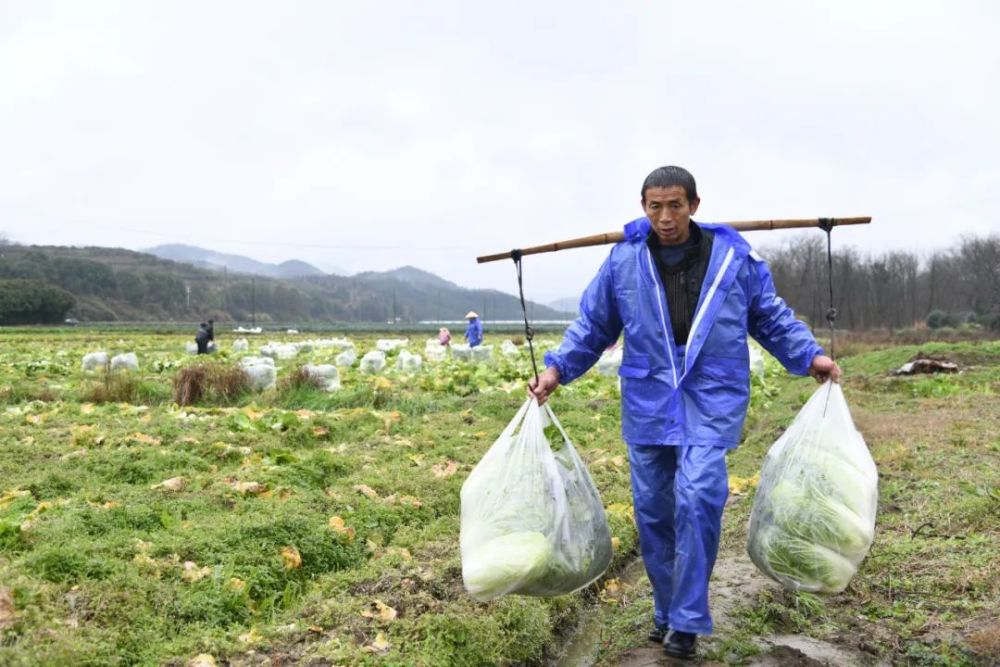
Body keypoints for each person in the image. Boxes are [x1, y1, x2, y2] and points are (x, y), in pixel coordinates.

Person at [528, 166, 840, 661]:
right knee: (654, 511)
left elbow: (771, 316)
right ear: (643, 206)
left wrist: (809, 356)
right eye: (655, 206)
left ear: (695, 205)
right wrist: (556, 371)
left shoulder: (733, 259)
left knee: (698, 496)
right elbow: (592, 325)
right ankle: (667, 610)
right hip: (649, 401)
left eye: (675, 205)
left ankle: (687, 621)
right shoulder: (624, 261)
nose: (666, 217)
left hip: (711, 398)